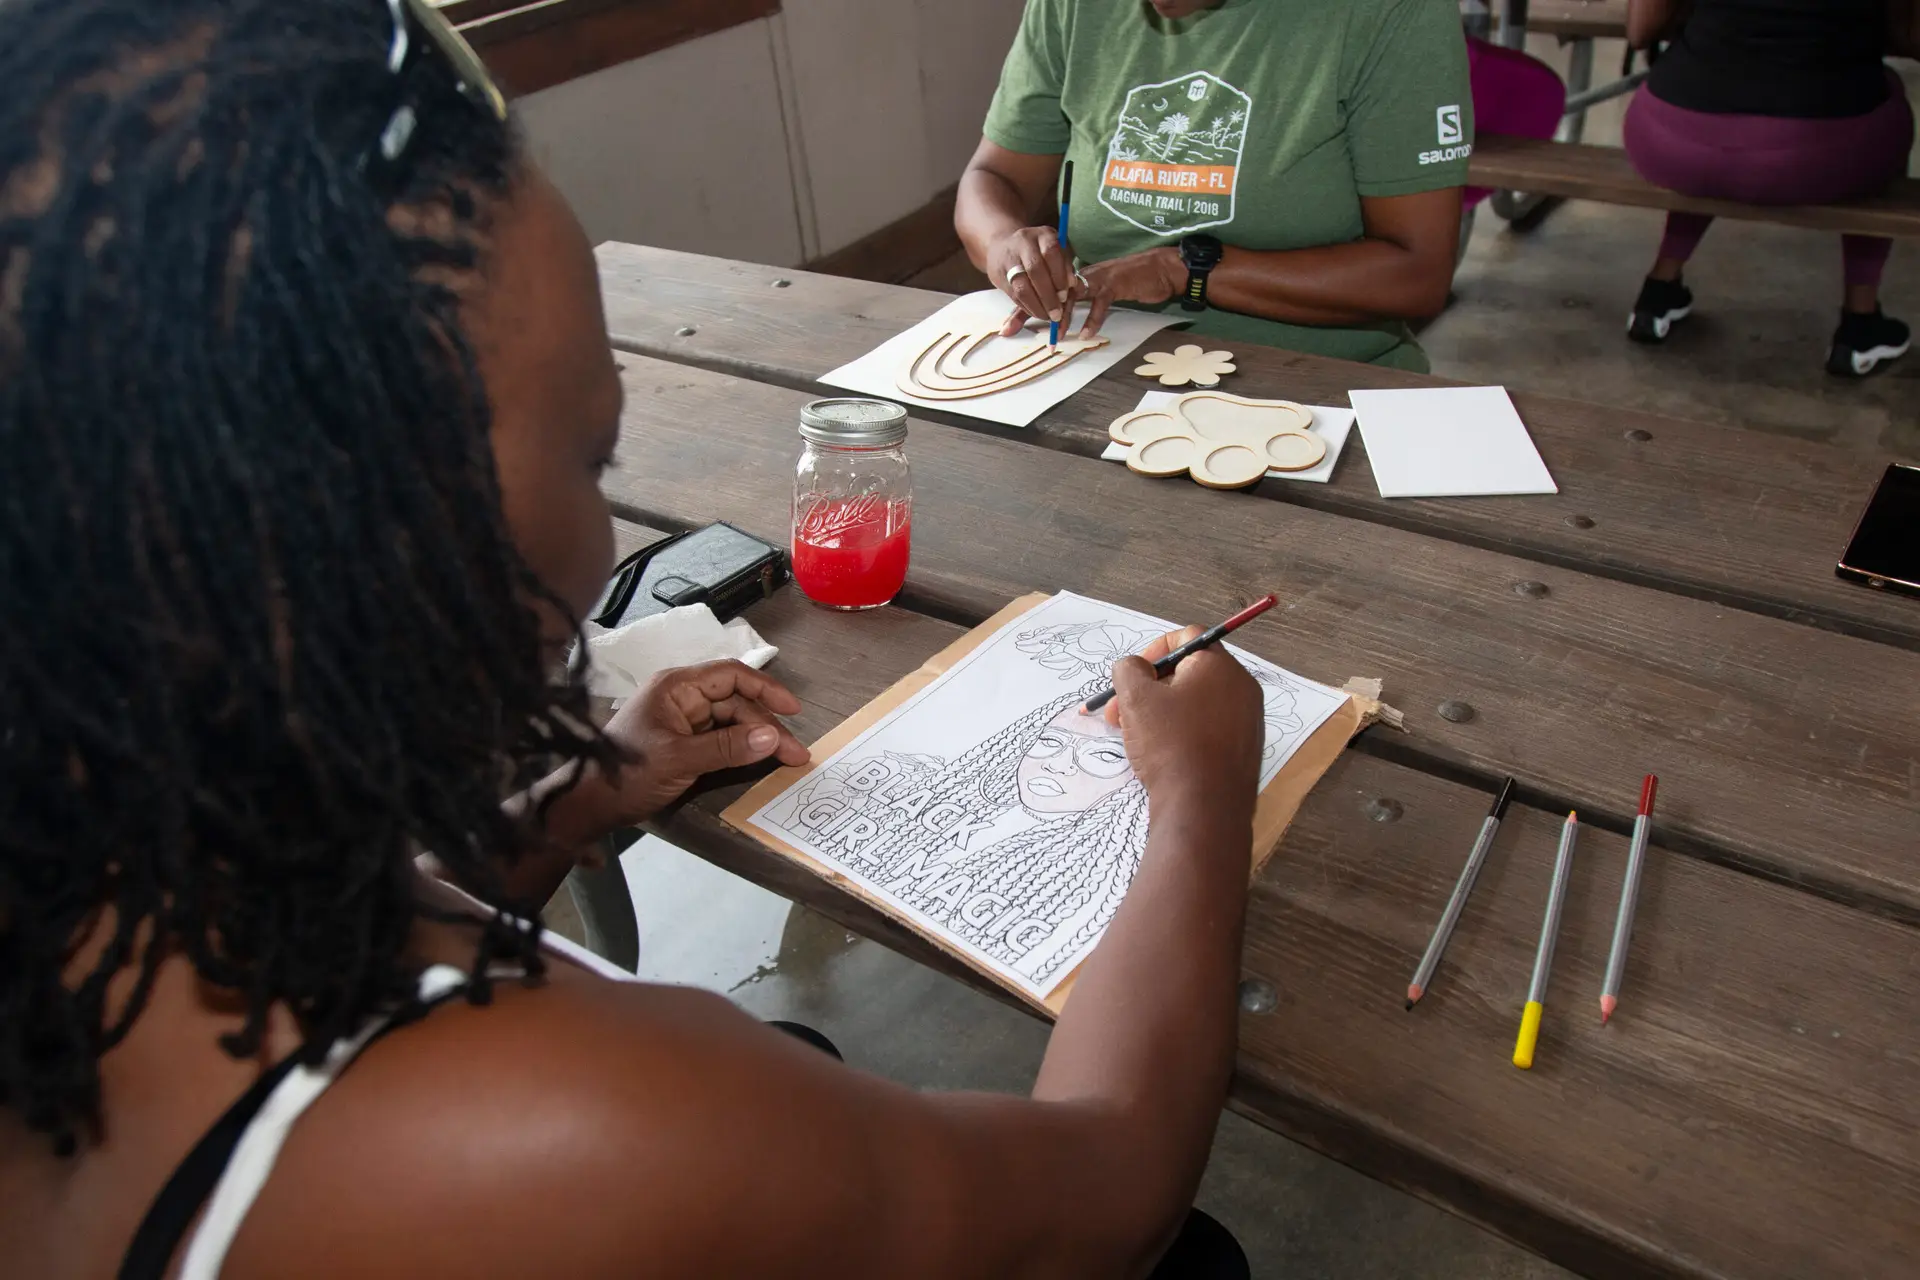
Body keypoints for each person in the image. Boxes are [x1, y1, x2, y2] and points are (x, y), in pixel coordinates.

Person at [0, 2, 1273, 1277]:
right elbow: (1111, 1191)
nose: (602, 533)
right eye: (583, 453)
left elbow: (356, 912)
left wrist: (572, 800)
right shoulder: (582, 1131)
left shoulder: (117, 846)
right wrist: (1202, 791)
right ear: (349, 539)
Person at [955, 0, 1475, 374]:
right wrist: (1004, 242)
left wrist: (1182, 269)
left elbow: (1417, 273)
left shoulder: (1391, 12)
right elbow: (992, 178)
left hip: (1321, 381)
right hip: (1099, 364)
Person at [1622, 0, 1917, 376]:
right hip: (1816, 150)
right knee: (1883, 102)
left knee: (1720, 110)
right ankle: (1861, 322)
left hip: (1671, 139)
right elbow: (1911, 37)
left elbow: (1640, 32)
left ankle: (1659, 288)